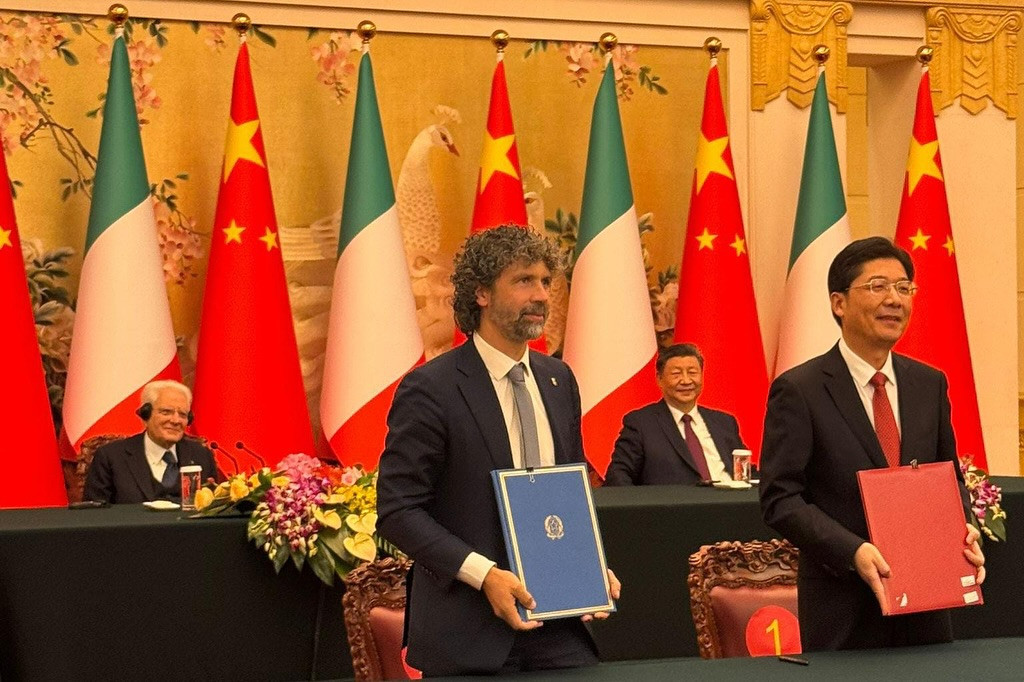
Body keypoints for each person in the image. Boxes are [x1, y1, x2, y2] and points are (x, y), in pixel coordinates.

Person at [376, 225, 620, 676]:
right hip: (468, 630)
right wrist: (485, 575)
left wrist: (587, 563)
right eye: (524, 280)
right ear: (482, 293)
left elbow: (565, 491)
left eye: (545, 281)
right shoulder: (431, 388)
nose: (542, 294)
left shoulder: (559, 380)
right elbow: (398, 510)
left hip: (559, 624)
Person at [759, 236, 985, 651]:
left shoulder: (929, 384)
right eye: (878, 286)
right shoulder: (800, 390)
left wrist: (964, 528)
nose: (894, 300)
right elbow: (781, 498)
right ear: (839, 303)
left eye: (904, 288)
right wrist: (854, 551)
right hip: (842, 606)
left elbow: (949, 477)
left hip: (928, 606)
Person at [604, 343, 745, 485]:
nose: (686, 381)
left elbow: (745, 470)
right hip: (675, 499)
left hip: (730, 497)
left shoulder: (724, 422)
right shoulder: (641, 423)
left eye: (692, 373)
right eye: (676, 374)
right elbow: (617, 476)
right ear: (659, 379)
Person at [84, 380, 217, 504]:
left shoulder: (202, 455)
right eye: (166, 412)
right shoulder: (111, 456)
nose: (176, 421)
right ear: (146, 414)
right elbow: (94, 513)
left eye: (182, 414)